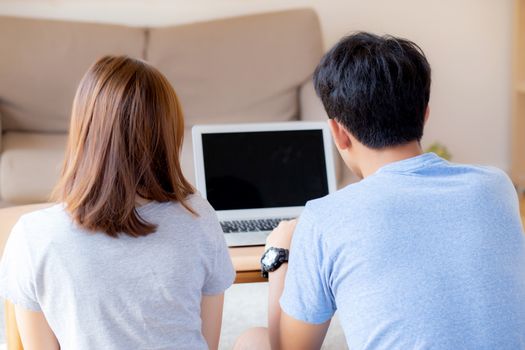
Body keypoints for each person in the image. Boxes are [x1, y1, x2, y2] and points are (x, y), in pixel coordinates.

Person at [235, 32, 525, 349]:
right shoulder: (496, 186)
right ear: (425, 113)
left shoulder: (324, 218)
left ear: (338, 133)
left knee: (252, 340)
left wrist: (278, 257)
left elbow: (289, 349)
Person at [0, 56, 235, 350]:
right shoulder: (199, 217)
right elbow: (206, 343)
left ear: (84, 131)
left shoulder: (33, 236)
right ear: (168, 134)